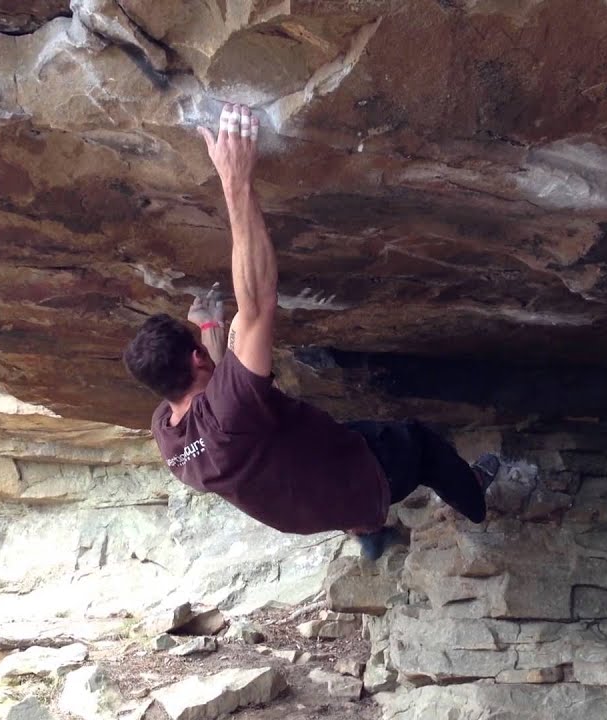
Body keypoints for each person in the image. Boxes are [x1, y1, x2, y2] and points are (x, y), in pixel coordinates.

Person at [123, 104, 500, 560]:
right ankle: (475, 499)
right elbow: (258, 302)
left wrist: (208, 328)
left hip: (299, 505)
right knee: (416, 442)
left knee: (331, 439)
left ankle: (367, 532)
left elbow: (219, 388)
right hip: (351, 484)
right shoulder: (229, 410)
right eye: (200, 346)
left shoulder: (168, 432)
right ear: (196, 360)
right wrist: (235, 181)